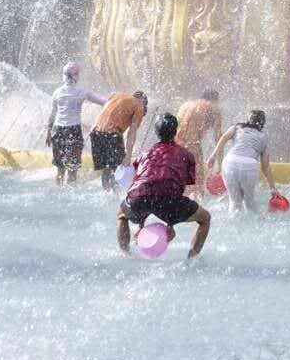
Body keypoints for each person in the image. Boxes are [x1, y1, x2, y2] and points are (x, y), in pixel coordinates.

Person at [118, 112, 210, 259]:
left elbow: (141, 185)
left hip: (139, 197)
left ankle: (125, 254)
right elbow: (176, 187)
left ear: (156, 132)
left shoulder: (144, 154)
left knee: (122, 215)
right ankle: (191, 259)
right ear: (175, 131)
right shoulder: (186, 155)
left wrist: (141, 223)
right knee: (205, 218)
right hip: (169, 200)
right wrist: (171, 221)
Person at [45, 62, 106, 186]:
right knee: (72, 169)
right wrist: (117, 100)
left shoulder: (57, 92)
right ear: (76, 75)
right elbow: (103, 101)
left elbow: (52, 114)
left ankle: (58, 190)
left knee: (60, 169)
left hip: (58, 131)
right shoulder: (81, 92)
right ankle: (70, 190)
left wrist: (48, 133)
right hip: (73, 131)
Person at [208, 110, 279, 215]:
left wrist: (213, 156)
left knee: (234, 202)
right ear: (263, 123)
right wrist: (273, 189)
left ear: (248, 119)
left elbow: (223, 138)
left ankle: (232, 222)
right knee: (249, 202)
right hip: (249, 166)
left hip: (230, 163)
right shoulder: (263, 137)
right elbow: (265, 166)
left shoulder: (237, 127)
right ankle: (257, 222)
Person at [90, 91, 148, 190]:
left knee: (107, 168)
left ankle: (106, 192)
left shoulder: (117, 95)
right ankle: (115, 195)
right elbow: (131, 133)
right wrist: (128, 157)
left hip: (95, 133)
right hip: (111, 134)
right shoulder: (139, 106)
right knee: (117, 170)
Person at [176, 90, 222, 198]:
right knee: (197, 185)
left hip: (175, 146)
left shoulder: (185, 105)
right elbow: (219, 138)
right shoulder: (213, 108)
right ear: (214, 100)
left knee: (179, 181)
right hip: (192, 147)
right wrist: (219, 164)